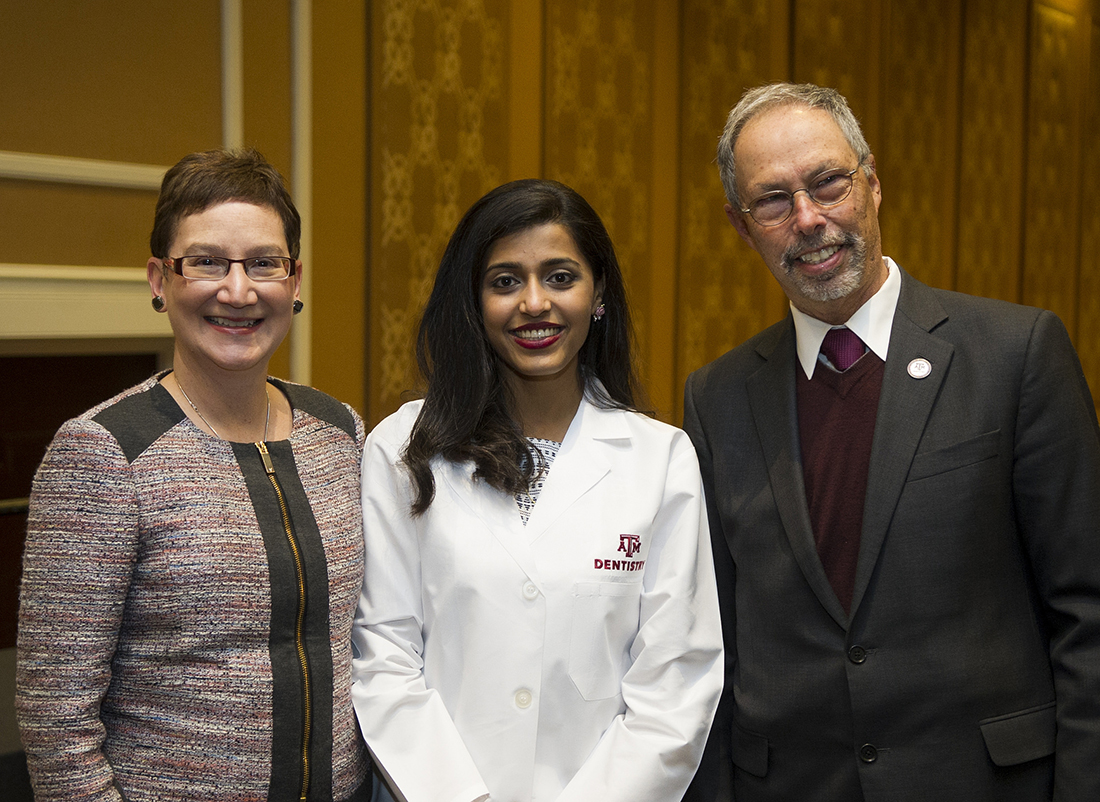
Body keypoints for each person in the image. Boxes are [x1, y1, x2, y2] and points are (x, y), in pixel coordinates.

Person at [681, 81, 1100, 801]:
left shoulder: (1015, 355)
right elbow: (708, 646)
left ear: (872, 183)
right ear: (740, 225)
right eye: (773, 201)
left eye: (827, 184)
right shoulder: (715, 398)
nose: (808, 219)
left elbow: (1087, 613)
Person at [350, 179, 723, 802]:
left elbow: (675, 682)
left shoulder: (661, 460)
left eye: (559, 277)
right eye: (504, 281)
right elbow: (384, 652)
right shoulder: (403, 447)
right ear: (473, 300)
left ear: (597, 292)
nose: (533, 303)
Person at [16, 148, 371, 801]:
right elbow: (56, 720)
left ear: (294, 281)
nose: (238, 291)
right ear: (159, 280)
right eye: (206, 262)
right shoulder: (102, 452)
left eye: (263, 263)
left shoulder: (340, 433)